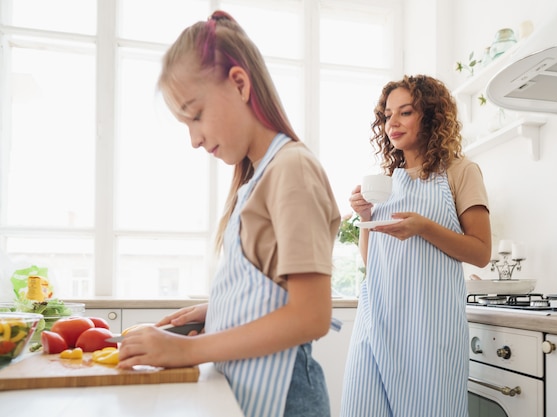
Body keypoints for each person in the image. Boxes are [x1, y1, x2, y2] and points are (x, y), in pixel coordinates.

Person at [117, 11, 341, 417]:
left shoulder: (290, 168)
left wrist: (188, 350)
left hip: (288, 400)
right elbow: (274, 287)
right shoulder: (256, 178)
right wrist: (220, 309)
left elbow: (311, 315)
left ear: (239, 83)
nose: (194, 139)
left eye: (196, 115)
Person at [340, 74, 492, 417]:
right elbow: (374, 260)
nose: (392, 123)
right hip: (376, 323)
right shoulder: (385, 181)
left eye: (405, 112)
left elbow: (481, 252)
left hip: (429, 330)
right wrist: (365, 215)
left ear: (431, 115)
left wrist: (424, 227)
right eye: (387, 115)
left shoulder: (460, 171)